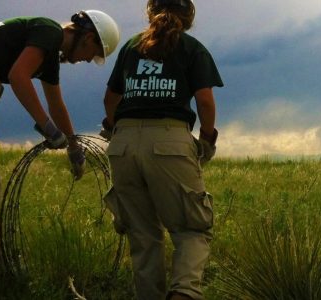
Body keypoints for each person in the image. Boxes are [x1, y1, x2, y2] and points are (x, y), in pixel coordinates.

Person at [0, 10, 119, 295]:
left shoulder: (50, 54)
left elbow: (57, 104)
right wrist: (47, 128)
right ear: (87, 37)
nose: (84, 60)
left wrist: (73, 146)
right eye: (91, 53)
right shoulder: (49, 31)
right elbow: (18, 76)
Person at [99, 0, 222, 299]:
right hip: (169, 141)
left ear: (150, 12)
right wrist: (206, 140)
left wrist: (118, 129)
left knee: (142, 236)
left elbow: (110, 100)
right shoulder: (192, 48)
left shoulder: (131, 47)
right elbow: (205, 101)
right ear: (189, 15)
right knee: (192, 228)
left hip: (123, 143)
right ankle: (183, 292)